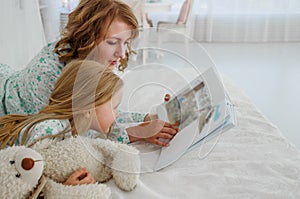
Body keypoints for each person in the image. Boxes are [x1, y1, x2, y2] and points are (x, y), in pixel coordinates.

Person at [0, 0, 178, 147]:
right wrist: (136, 133)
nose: (122, 53)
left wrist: (146, 118)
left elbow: (101, 109)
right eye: (112, 42)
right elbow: (76, 135)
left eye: (126, 42)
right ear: (88, 38)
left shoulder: (93, 61)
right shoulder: (52, 75)